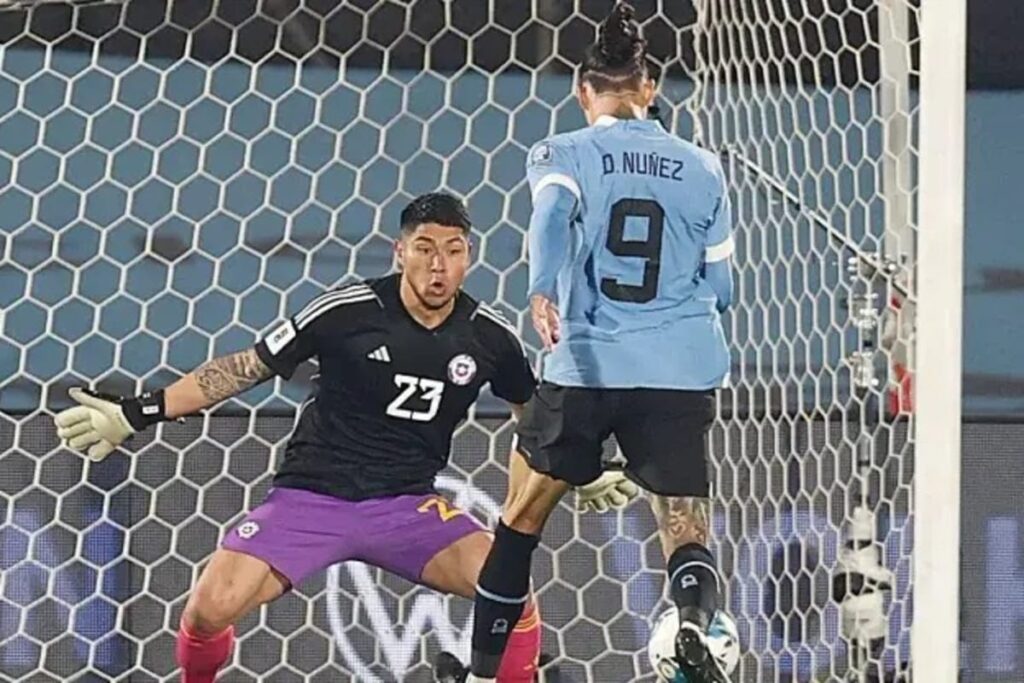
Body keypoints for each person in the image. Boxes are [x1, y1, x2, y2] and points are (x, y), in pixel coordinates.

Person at [52, 192, 635, 683]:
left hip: (408, 506)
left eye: (454, 252)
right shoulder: (347, 310)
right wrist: (138, 412)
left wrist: (573, 467)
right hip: (311, 499)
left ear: (469, 258)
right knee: (208, 609)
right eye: (426, 249)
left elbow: (532, 416)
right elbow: (244, 369)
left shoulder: (489, 337)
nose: (439, 267)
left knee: (508, 587)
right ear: (400, 251)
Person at [451, 4, 737, 683]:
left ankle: (482, 672)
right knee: (685, 526)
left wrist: (543, 287)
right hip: (677, 369)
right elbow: (723, 287)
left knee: (521, 518)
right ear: (650, 88)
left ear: (584, 91)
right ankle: (692, 628)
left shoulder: (563, 151)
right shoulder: (703, 165)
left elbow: (551, 213)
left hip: (587, 363)